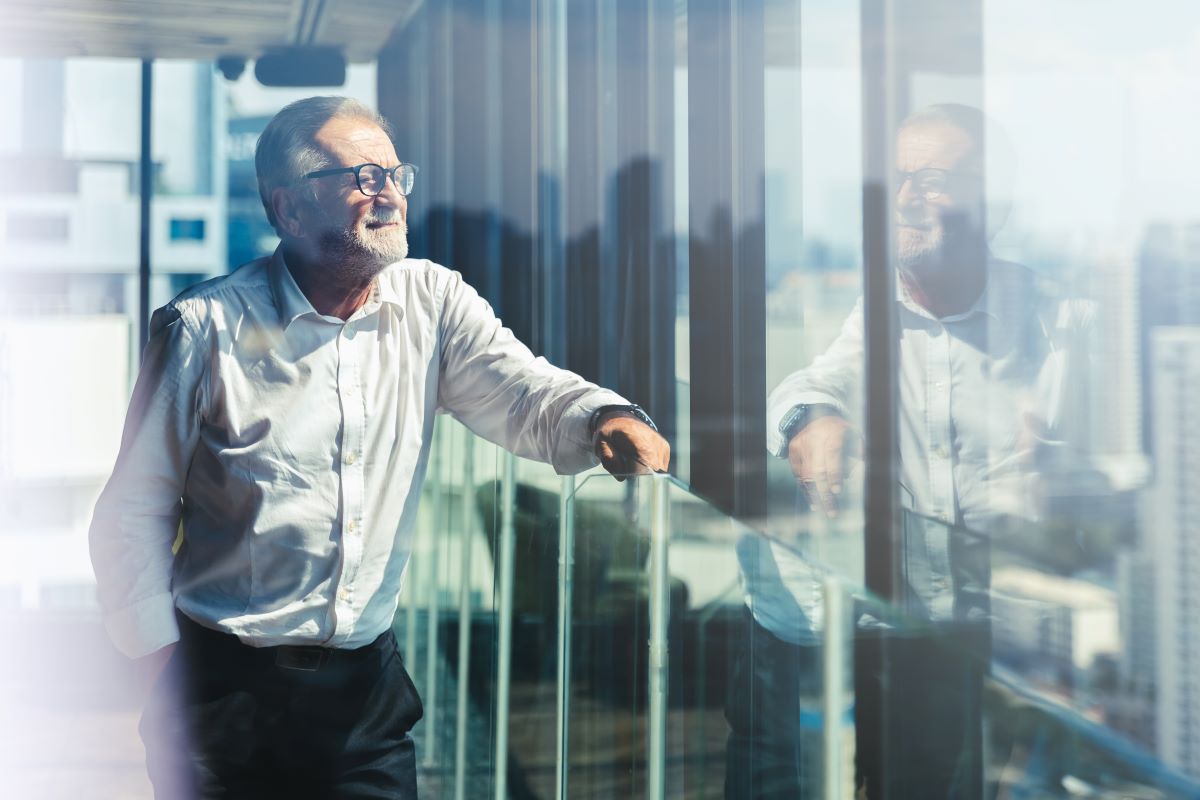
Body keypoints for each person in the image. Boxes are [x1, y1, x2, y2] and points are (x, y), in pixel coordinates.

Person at [89, 96, 670, 799]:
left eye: (395, 174)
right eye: (362, 176)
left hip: (366, 696)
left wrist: (604, 415)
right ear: (291, 209)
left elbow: (523, 393)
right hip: (222, 689)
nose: (388, 192)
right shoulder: (202, 326)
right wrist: (160, 664)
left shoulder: (433, 300)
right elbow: (133, 510)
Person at [728, 104, 1089, 798]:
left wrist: (1064, 464)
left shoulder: (1060, 324)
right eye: (896, 180)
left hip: (973, 639)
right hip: (814, 628)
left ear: (994, 204)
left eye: (930, 181)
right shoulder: (875, 304)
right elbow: (814, 380)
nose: (903, 201)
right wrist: (813, 418)